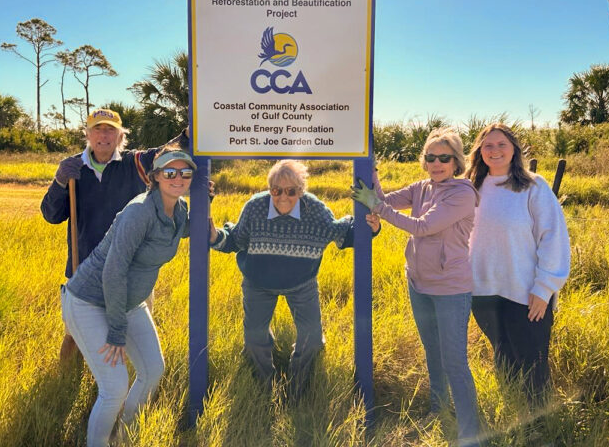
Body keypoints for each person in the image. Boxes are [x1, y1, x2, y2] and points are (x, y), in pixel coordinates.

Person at [61, 146, 216, 447]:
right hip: (88, 301)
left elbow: (179, 231)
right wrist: (117, 331)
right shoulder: (139, 212)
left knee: (152, 371)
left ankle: (124, 436)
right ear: (156, 177)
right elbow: (113, 273)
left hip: (129, 302)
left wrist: (204, 203)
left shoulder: (179, 208)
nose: (178, 178)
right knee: (114, 388)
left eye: (185, 173)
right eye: (170, 172)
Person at [352, 127, 482, 447]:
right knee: (432, 353)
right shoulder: (422, 187)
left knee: (454, 360)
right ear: (424, 161)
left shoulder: (462, 194)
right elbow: (382, 200)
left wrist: (378, 208)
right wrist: (373, 173)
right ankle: (438, 409)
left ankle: (471, 432)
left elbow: (422, 227)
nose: (437, 163)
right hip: (419, 284)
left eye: (444, 158)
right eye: (431, 157)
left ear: (456, 162)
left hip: (451, 289)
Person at [210, 159, 380, 398]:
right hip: (258, 282)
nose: (283, 197)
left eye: (291, 191)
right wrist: (214, 235)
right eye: (276, 190)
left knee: (311, 339)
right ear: (270, 189)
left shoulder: (315, 210)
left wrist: (370, 228)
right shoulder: (255, 207)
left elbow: (343, 234)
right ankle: (265, 389)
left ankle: (297, 387)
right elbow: (235, 240)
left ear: (301, 191)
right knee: (254, 339)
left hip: (302, 283)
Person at [41, 108, 188, 361]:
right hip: (85, 270)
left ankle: (131, 380)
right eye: (97, 129)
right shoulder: (73, 169)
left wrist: (188, 133)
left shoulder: (136, 163)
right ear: (88, 134)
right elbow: (51, 215)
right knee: (78, 339)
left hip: (133, 272)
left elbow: (169, 152)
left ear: (121, 136)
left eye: (110, 129)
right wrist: (60, 182)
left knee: (136, 341)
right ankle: (69, 385)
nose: (104, 135)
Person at [466, 123, 570, 406]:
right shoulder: (470, 187)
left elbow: (553, 237)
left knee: (533, 366)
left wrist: (544, 287)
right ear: (480, 151)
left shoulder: (533, 186)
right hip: (483, 292)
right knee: (503, 359)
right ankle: (511, 415)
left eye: (502, 144)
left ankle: (540, 427)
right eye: (488, 145)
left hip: (526, 294)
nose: (495, 150)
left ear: (514, 150)